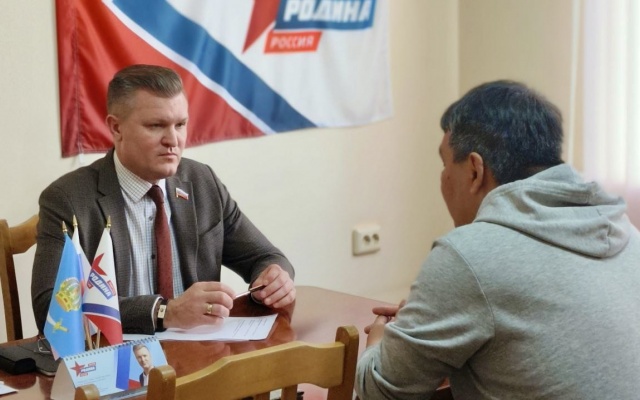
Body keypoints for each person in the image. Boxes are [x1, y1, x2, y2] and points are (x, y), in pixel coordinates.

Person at [355, 80, 640, 399]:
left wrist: (381, 340)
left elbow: (381, 391)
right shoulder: (627, 233)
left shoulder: (468, 255)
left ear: (475, 171)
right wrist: (430, 322)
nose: (443, 177)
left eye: (445, 164)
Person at [32, 64, 296, 335]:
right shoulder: (68, 199)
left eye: (180, 125)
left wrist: (274, 278)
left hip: (200, 351)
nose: (173, 140)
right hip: (117, 353)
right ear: (116, 127)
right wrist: (164, 312)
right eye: (156, 126)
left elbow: (266, 257)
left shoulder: (202, 182)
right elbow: (50, 308)